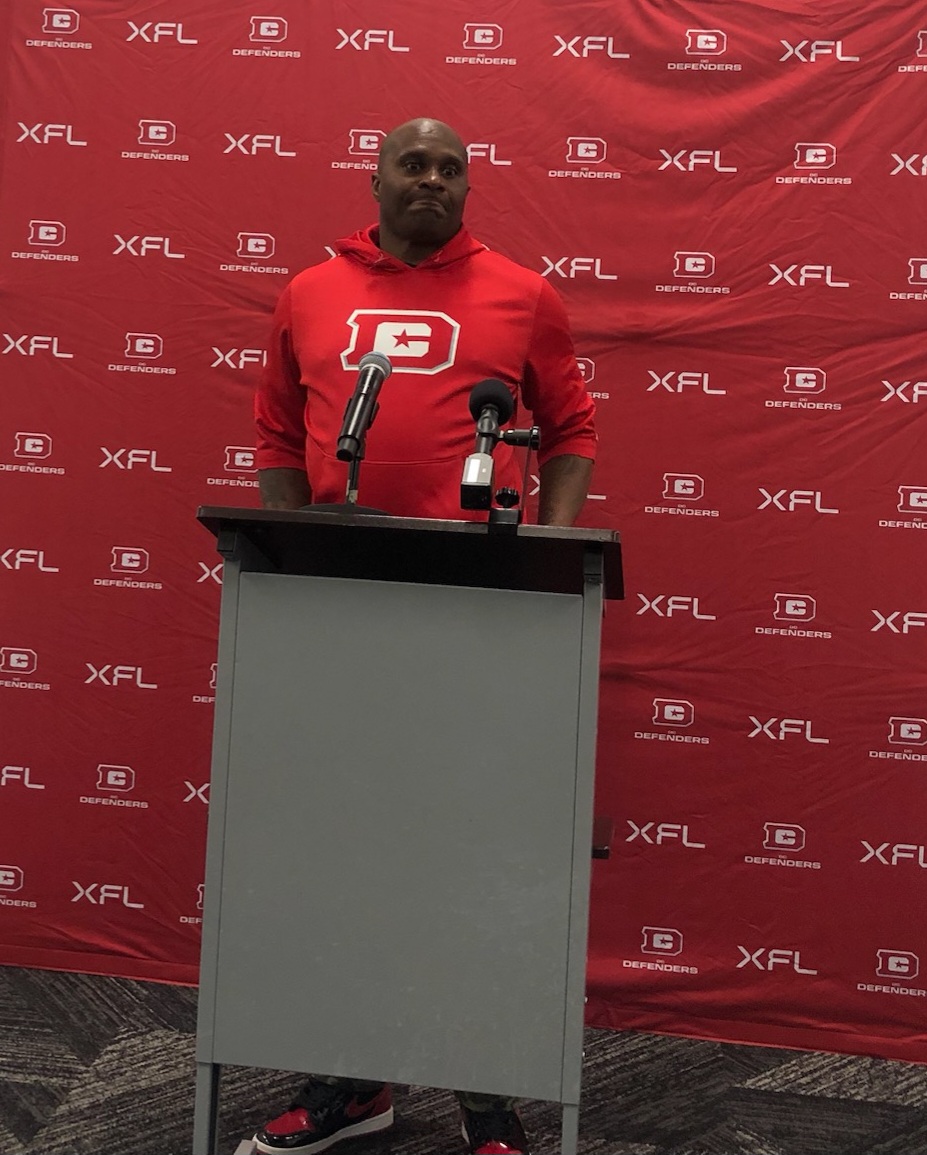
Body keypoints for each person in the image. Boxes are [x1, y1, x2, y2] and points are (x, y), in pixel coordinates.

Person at [252, 117, 597, 1155]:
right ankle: (353, 1081)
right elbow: (277, 434)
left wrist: (550, 552)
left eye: (452, 169)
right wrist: (293, 554)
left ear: (467, 189)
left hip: (478, 612)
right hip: (344, 612)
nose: (433, 180)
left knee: (471, 858)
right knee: (349, 854)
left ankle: (487, 1099)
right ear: (376, 179)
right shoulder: (310, 292)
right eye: (414, 164)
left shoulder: (524, 293)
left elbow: (572, 430)